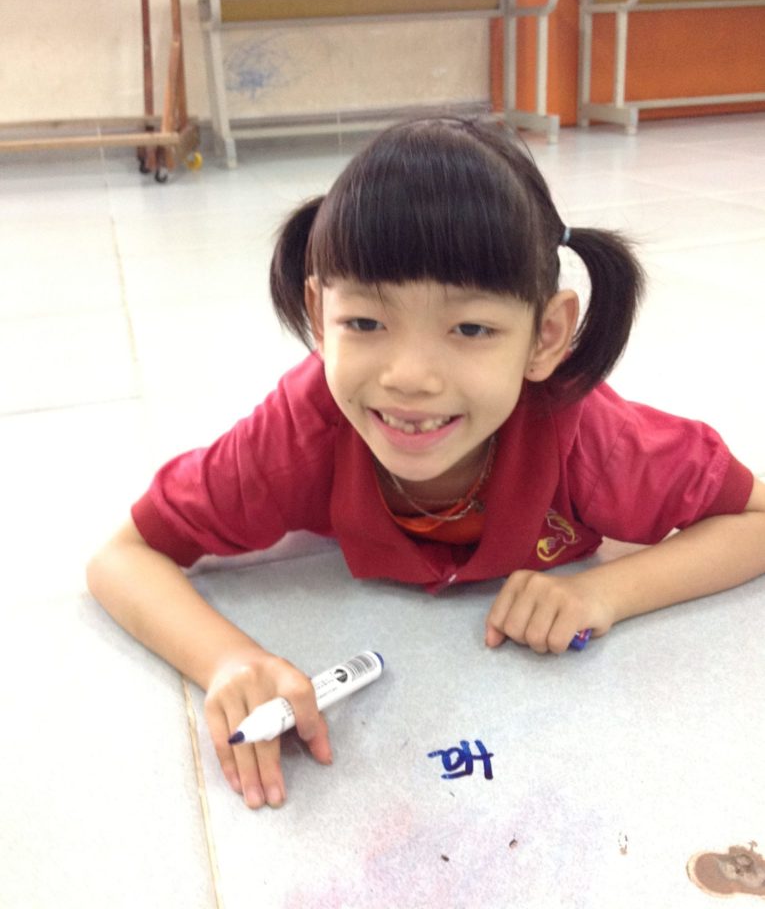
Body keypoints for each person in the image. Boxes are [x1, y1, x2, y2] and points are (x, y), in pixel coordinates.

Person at [87, 116, 765, 811]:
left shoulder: (588, 439)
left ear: (547, 336)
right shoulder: (299, 432)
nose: (409, 378)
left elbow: (755, 518)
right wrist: (228, 659)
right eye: (366, 323)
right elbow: (123, 556)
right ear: (319, 317)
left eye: (470, 329)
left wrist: (605, 594)